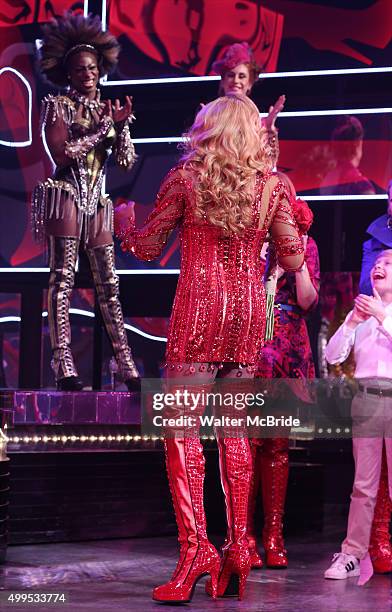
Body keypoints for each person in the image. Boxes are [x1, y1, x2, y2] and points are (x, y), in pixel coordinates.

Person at [115, 94, 304, 603]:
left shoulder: (186, 178)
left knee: (180, 434)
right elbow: (290, 256)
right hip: (244, 317)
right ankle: (239, 546)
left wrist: (124, 224)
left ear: (207, 130)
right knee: (235, 434)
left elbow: (151, 247)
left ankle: (196, 547)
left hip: (198, 312)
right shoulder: (271, 187)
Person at [32, 13, 140, 391]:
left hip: (99, 202)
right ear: (68, 72)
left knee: (109, 284)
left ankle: (127, 367)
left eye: (92, 68)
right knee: (62, 279)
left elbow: (125, 161)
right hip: (66, 197)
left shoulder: (105, 109)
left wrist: (122, 126)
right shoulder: (56, 105)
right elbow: (61, 155)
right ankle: (64, 365)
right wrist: (100, 131)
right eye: (79, 69)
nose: (87, 74)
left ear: (101, 68)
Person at [247, 174, 320, 569]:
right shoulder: (250, 241)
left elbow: (308, 301)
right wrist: (267, 268)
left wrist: (297, 260)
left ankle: (274, 536)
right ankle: (244, 535)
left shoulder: (305, 245)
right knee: (248, 442)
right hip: (254, 347)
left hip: (288, 349)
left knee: (276, 443)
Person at [324, 249, 392, 583]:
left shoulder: (381, 313)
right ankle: (351, 554)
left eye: (389, 263)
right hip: (366, 400)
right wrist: (352, 322)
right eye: (377, 263)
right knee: (363, 486)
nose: (379, 266)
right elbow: (332, 354)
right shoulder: (361, 314)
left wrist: (383, 315)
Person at [212, 41, 285, 171]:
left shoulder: (256, 121)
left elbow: (268, 165)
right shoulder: (210, 115)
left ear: (250, 83)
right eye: (230, 75)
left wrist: (269, 131)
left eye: (242, 76)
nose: (236, 81)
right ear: (222, 81)